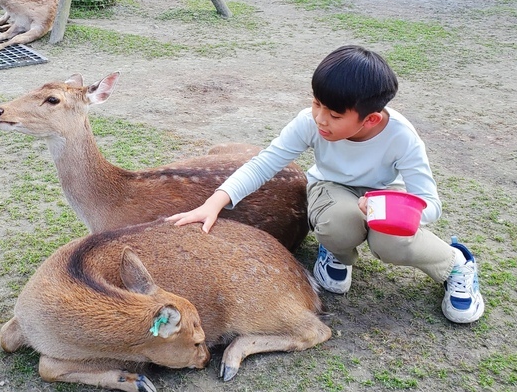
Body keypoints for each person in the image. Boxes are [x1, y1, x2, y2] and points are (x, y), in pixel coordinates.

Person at [168, 44, 485, 324]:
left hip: (387, 194)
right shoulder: (309, 122)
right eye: (316, 104)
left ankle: (456, 264)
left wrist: (385, 209)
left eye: (333, 114)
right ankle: (337, 252)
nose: (320, 119)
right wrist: (216, 201)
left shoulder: (402, 137)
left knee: (389, 242)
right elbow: (265, 163)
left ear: (370, 119)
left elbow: (430, 203)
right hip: (330, 187)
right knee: (338, 224)